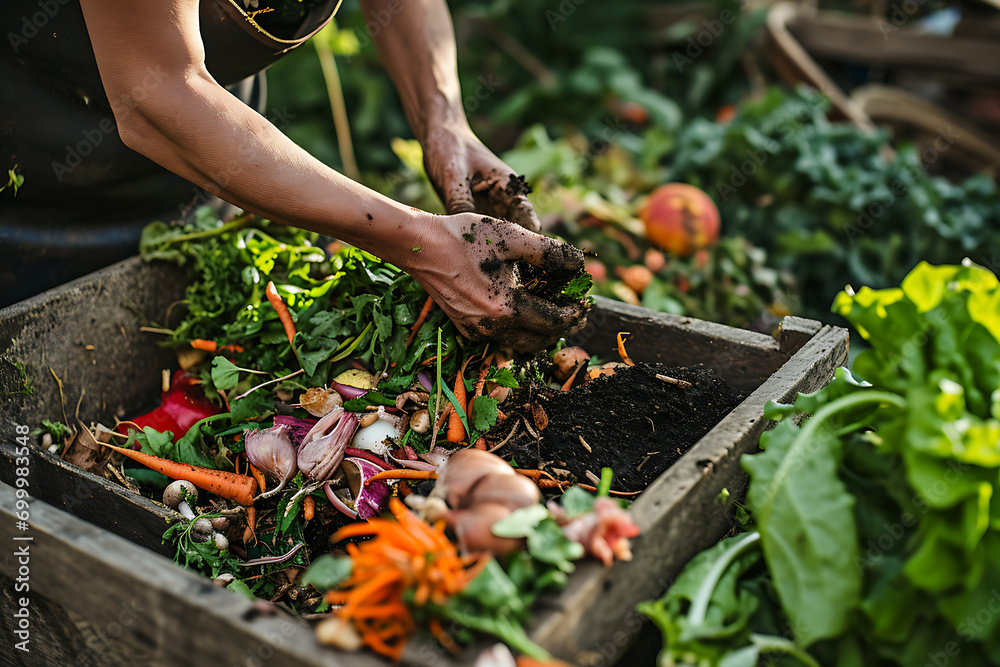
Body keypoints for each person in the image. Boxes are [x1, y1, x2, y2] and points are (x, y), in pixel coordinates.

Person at [0, 0, 587, 351]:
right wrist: (419, 242)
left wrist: (445, 123)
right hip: (26, 196)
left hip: (204, 176)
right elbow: (159, 91)